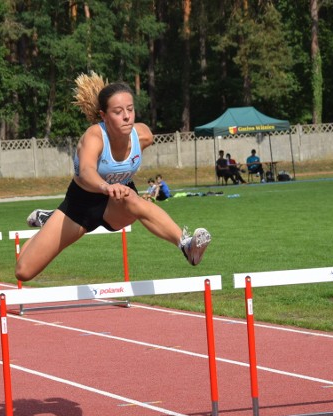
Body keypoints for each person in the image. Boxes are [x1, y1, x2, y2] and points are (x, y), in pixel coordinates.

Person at [18, 72, 210, 282]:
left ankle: (186, 245)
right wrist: (104, 186)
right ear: (104, 116)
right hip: (81, 206)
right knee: (24, 271)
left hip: (117, 205)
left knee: (130, 197)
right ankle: (51, 220)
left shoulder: (143, 136)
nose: (127, 116)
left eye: (130, 109)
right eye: (118, 112)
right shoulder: (93, 136)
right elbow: (87, 170)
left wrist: (113, 190)